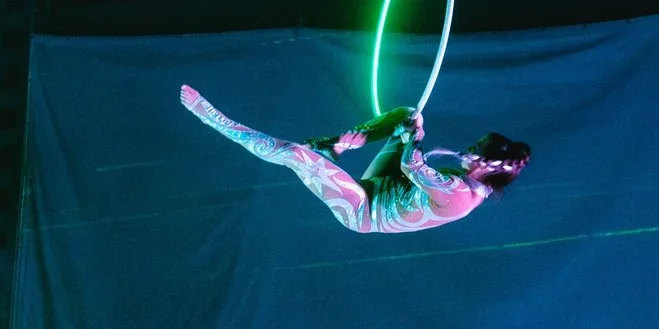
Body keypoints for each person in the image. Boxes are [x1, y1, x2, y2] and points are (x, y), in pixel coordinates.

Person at [180, 85, 528, 234]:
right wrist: (410, 131)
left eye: (475, 149)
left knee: (295, 155)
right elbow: (411, 169)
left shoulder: (460, 195)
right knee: (409, 113)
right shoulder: (467, 180)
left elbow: (412, 165)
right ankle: (335, 145)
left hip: (363, 210)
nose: (467, 150)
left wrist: (415, 138)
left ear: (489, 166)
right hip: (383, 187)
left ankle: (214, 119)